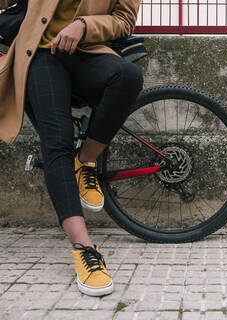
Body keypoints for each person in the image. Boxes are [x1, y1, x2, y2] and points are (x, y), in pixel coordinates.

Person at [0, 0, 143, 296]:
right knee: (56, 140)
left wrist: (84, 26)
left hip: (89, 51)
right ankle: (84, 248)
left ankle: (85, 161)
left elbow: (124, 20)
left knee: (129, 77)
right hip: (40, 53)